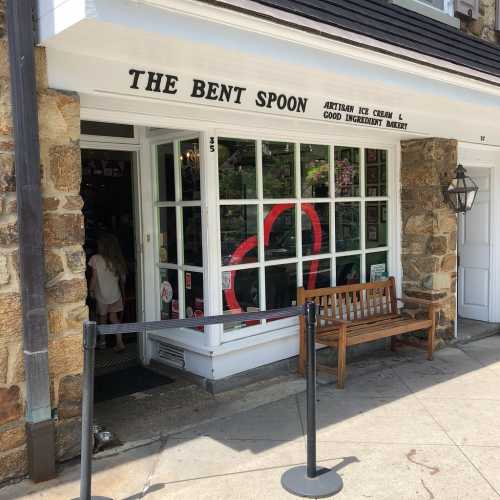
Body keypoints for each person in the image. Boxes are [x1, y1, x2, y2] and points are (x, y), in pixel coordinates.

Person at [88, 233, 127, 352]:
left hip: (102, 295)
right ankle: (120, 342)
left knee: (102, 319)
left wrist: (90, 290)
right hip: (115, 294)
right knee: (114, 317)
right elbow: (123, 279)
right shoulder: (116, 260)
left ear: (102, 246)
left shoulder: (95, 259)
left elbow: (94, 278)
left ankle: (102, 342)